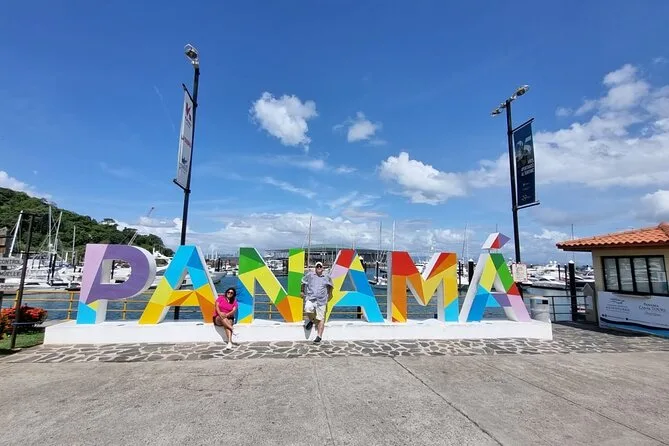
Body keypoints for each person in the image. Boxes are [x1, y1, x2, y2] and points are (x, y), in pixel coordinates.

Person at [301, 261, 333, 344]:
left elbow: (331, 285)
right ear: (315, 268)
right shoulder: (310, 275)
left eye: (320, 266)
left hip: (321, 300)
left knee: (321, 318)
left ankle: (319, 336)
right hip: (311, 298)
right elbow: (303, 281)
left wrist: (329, 293)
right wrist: (302, 291)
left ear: (322, 268)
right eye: (317, 266)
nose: (319, 268)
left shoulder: (326, 276)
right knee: (307, 309)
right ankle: (312, 320)